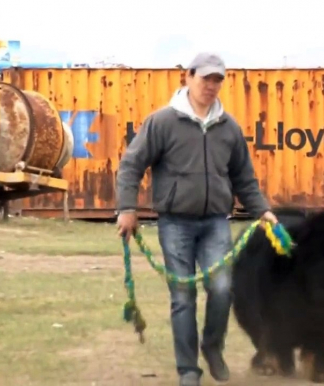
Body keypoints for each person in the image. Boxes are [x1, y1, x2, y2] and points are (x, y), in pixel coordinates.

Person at [116, 52, 277, 386]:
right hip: (175, 222)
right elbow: (132, 165)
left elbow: (244, 178)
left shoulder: (229, 127)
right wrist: (127, 209)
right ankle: (188, 370)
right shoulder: (162, 122)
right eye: (206, 78)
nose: (211, 86)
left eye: (218, 79)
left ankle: (212, 346)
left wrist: (262, 210)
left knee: (221, 287)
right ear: (188, 77)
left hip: (216, 221)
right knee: (182, 297)